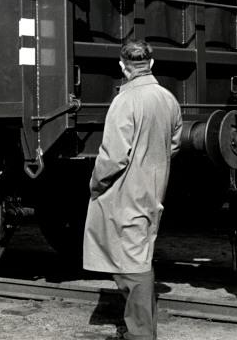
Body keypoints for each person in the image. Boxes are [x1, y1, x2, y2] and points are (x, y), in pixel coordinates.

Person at [83, 39, 182, 340]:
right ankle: (141, 329)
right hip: (154, 187)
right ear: (151, 64)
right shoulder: (168, 99)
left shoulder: (123, 102)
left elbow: (113, 156)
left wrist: (95, 183)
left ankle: (140, 334)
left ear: (122, 68)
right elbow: (174, 144)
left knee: (131, 259)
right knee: (139, 251)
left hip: (125, 190)